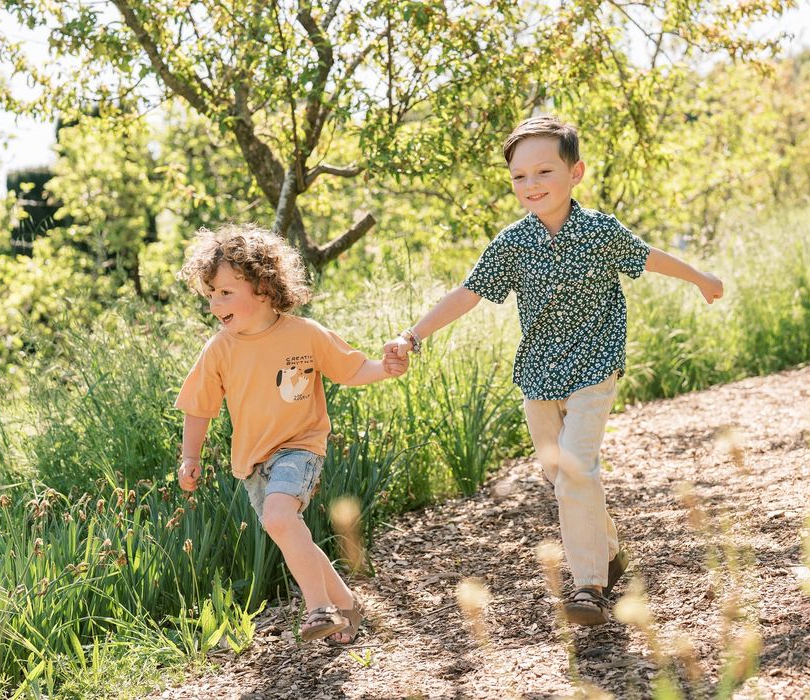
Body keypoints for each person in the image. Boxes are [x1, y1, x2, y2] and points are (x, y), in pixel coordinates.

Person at [384, 115, 724, 625]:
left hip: (594, 369)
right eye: (519, 177)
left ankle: (587, 586)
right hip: (539, 376)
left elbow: (648, 257)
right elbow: (467, 293)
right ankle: (609, 554)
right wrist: (411, 336)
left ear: (575, 173)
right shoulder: (512, 244)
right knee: (563, 477)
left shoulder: (599, 231)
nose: (531, 185)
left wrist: (700, 277)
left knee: (574, 471)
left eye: (543, 171)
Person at [175, 223, 407, 643]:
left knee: (282, 518)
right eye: (209, 294)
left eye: (225, 292)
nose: (214, 303)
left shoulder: (305, 334)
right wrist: (189, 458)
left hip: (300, 448)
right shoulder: (219, 349)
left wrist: (384, 367)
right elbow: (198, 407)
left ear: (263, 287)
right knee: (288, 530)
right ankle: (348, 607)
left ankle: (319, 607)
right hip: (252, 462)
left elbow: (352, 369)